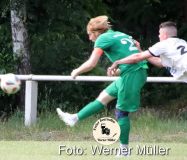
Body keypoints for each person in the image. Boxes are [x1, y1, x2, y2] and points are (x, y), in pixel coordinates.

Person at [108, 21, 187, 157]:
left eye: (159, 34)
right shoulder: (181, 43)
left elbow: (138, 58)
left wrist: (118, 62)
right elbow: (159, 63)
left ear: (165, 35)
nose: (158, 36)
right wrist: (140, 50)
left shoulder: (164, 44)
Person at [56, 15, 159, 157]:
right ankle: (74, 119)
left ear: (96, 32)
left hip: (132, 74)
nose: (90, 38)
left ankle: (124, 151)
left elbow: (92, 63)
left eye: (90, 34)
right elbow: (131, 57)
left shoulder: (102, 38)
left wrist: (76, 71)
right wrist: (118, 70)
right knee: (102, 98)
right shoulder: (118, 34)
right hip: (132, 72)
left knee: (121, 112)